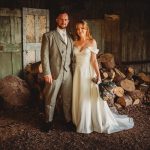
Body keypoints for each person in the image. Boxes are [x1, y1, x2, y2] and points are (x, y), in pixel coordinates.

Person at [72, 20, 134, 134]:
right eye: (77, 29)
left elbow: (94, 60)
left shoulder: (92, 42)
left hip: (89, 73)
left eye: (82, 28)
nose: (79, 30)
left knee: (89, 97)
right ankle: (80, 120)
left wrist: (99, 76)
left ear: (86, 29)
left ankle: (90, 123)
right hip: (78, 73)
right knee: (79, 95)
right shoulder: (74, 43)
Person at [41, 11, 74, 132]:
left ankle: (68, 120)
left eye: (66, 20)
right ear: (57, 20)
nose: (63, 22)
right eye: (61, 19)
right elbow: (44, 56)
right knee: (51, 98)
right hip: (54, 73)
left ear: (68, 21)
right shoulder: (48, 36)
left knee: (67, 98)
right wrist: (46, 72)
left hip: (68, 73)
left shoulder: (70, 37)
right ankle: (48, 122)